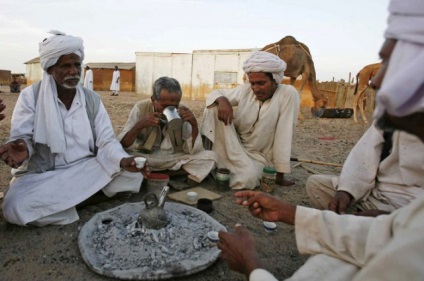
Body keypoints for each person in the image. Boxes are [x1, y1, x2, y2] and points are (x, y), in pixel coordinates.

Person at [218, 1, 424, 279]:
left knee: (325, 265)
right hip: (379, 200)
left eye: (391, 67)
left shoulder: (288, 95)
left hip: (402, 208)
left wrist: (250, 264)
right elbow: (365, 157)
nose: (373, 82)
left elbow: (403, 232)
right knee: (318, 184)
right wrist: (333, 196)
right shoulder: (389, 121)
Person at [0, 31, 144, 227]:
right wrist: (23, 148)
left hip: (87, 168)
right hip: (46, 175)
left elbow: (106, 141)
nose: (74, 71)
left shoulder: (92, 100)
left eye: (77, 65)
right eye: (66, 66)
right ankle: (87, 200)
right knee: (13, 207)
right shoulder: (30, 96)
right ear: (50, 68)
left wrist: (122, 159)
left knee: (133, 175)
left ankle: (68, 204)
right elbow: (22, 137)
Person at [200, 51, 300, 189]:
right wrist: (223, 100)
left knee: (249, 179)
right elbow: (214, 94)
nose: (255, 89)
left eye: (261, 83)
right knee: (213, 107)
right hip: (234, 147)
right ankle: (210, 159)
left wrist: (279, 175)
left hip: (259, 157)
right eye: (253, 83)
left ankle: (221, 167)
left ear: (275, 80)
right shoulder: (246, 90)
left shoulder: (287, 94)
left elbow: (284, 135)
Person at [306, 121, 424, 216]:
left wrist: (389, 216)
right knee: (316, 185)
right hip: (377, 194)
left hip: (411, 208)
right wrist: (346, 191)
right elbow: (364, 157)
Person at [118, 76, 216, 185]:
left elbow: (193, 151)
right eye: (164, 106)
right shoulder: (141, 108)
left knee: (210, 157)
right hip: (146, 157)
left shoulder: (182, 111)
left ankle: (158, 176)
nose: (169, 109)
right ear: (153, 100)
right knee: (122, 159)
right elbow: (123, 144)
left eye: (174, 106)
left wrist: (194, 126)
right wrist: (140, 125)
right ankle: (160, 175)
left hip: (172, 157)